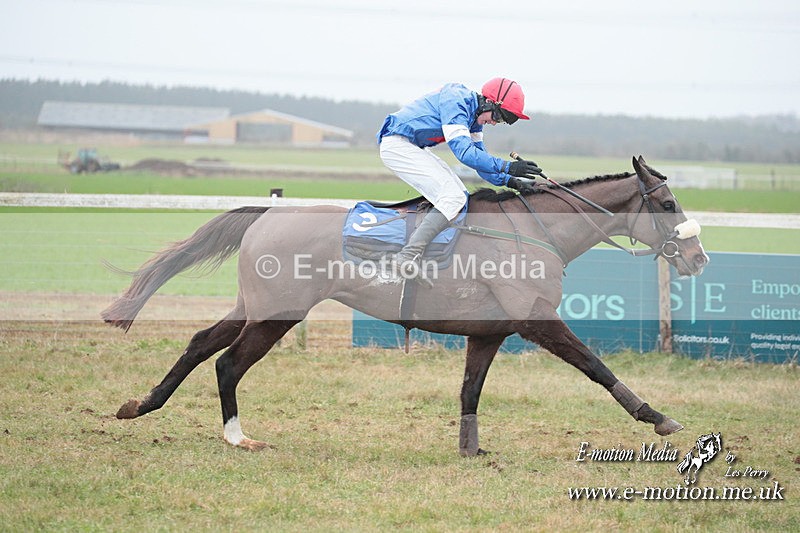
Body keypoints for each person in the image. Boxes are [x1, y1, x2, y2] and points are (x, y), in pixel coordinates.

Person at [377, 77, 544, 286]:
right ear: (490, 102)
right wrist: (507, 166)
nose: (494, 123)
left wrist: (512, 181)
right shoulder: (457, 102)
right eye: (498, 117)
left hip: (411, 147)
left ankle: (421, 252)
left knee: (460, 197)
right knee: (452, 197)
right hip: (397, 145)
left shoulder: (474, 119)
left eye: (500, 121)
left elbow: (480, 163)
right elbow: (464, 153)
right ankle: (407, 256)